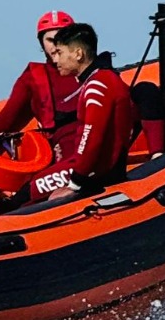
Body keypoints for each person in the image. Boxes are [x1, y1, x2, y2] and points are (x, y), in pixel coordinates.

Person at [30, 22, 137, 202]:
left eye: (60, 53)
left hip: (100, 177)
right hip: (100, 172)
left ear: (78, 54)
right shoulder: (103, 78)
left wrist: (75, 184)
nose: (56, 61)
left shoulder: (97, 85)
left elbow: (91, 137)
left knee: (29, 192)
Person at [0, 10, 80, 153]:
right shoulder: (33, 78)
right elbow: (6, 121)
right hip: (64, 152)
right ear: (41, 43)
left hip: (96, 148)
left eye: (62, 37)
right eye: (50, 40)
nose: (56, 45)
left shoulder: (93, 70)